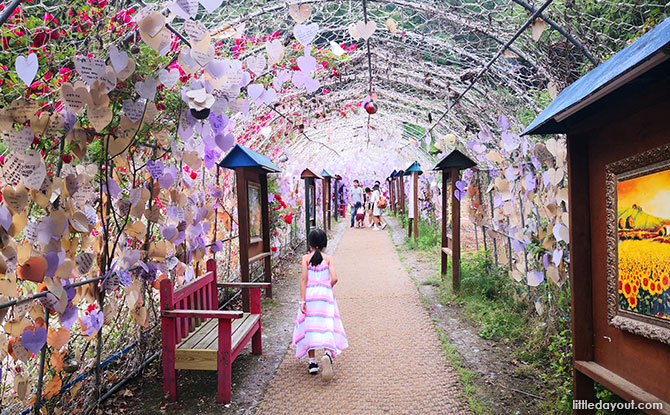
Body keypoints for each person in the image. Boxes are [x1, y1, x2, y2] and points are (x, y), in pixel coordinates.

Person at [293, 229, 348, 380]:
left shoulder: (305, 258)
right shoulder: (328, 258)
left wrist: (302, 300)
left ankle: (312, 362)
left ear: (310, 243)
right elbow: (335, 278)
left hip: (310, 295)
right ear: (324, 243)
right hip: (325, 295)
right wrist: (327, 286)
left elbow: (304, 280)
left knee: (310, 325)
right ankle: (328, 355)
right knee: (327, 324)